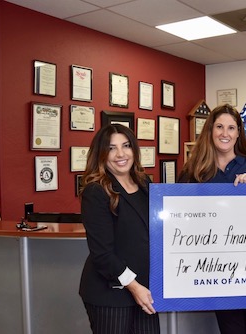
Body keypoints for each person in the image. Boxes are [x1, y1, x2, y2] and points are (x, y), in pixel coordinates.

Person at [178, 104, 246, 334]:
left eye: (231, 128)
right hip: (215, 267)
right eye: (219, 126)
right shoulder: (194, 169)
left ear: (238, 133)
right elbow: (180, 215)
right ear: (210, 130)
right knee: (230, 329)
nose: (225, 133)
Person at [79, 124, 160, 334]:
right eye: (111, 148)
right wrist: (134, 287)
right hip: (111, 294)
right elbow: (102, 254)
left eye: (126, 146)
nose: (121, 154)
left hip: (145, 289)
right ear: (102, 154)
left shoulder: (143, 182)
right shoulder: (96, 191)